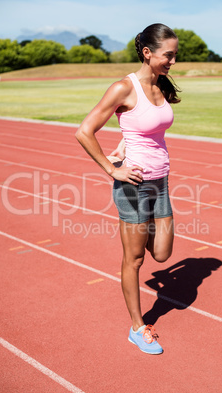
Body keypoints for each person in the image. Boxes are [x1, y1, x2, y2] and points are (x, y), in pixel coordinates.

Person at [75, 23, 180, 354]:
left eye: (175, 56)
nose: (173, 62)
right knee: (133, 259)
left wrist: (124, 141)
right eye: (168, 56)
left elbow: (143, 125)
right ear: (148, 53)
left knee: (162, 253)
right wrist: (112, 168)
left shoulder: (160, 84)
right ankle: (137, 327)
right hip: (134, 187)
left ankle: (141, 230)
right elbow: (84, 131)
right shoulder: (123, 87)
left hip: (160, 182)